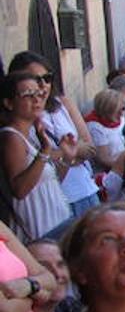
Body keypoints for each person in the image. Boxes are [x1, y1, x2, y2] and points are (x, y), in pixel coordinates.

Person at [1, 71, 73, 241]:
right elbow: (20, 189)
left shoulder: (34, 133)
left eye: (39, 93)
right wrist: (45, 150)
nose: (37, 99)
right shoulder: (12, 137)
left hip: (57, 225)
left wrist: (67, 156)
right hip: (40, 233)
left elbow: (52, 180)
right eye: (28, 95)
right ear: (9, 103)